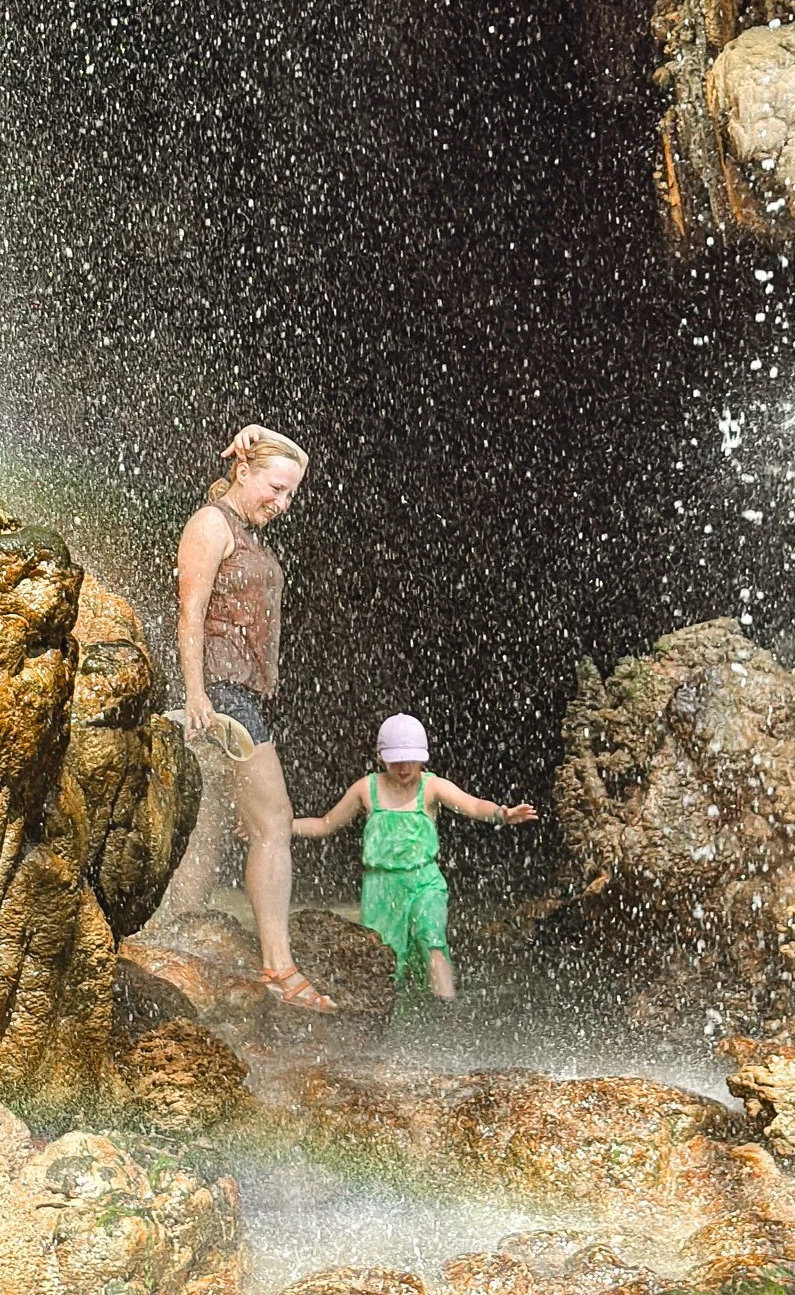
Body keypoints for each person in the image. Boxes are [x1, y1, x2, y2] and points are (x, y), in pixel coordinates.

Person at [160, 422, 336, 1014]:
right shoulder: (210, 525)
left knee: (206, 829)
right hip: (222, 694)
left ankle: (165, 941)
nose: (283, 503)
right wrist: (196, 697)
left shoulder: (243, 531)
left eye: (291, 494)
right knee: (273, 822)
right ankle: (279, 968)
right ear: (244, 470)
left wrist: (261, 433)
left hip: (239, 695)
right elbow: (191, 614)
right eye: (277, 487)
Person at [292, 713, 537, 999]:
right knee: (383, 959)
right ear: (381, 757)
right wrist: (282, 826)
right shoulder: (366, 788)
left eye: (411, 759)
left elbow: (472, 805)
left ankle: (447, 1013)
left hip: (424, 881)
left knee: (432, 939)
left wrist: (501, 814)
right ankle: (391, 1020)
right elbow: (325, 824)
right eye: (396, 759)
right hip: (380, 888)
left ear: (423, 758)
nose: (404, 767)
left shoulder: (431, 786)